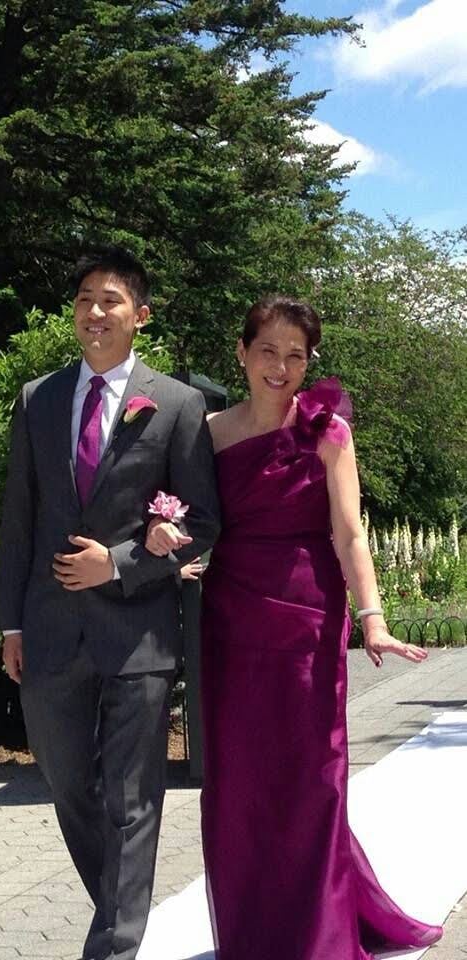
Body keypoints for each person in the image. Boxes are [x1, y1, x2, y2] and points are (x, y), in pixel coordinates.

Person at [145, 294, 443, 960]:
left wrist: (372, 617)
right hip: (230, 619)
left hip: (308, 615)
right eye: (267, 351)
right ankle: (252, 934)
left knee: (312, 777)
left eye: (295, 355)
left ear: (309, 362)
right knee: (240, 782)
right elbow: (176, 511)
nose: (280, 367)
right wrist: (163, 533)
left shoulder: (327, 432)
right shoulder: (206, 432)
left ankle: (319, 935)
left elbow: (349, 533)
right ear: (242, 353)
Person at [0, 245, 220, 960]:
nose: (95, 311)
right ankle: (121, 910)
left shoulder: (177, 405)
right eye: (85, 298)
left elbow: (201, 523)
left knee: (132, 800)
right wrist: (10, 623)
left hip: (138, 637)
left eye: (111, 300)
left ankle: (114, 947)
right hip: (50, 629)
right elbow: (19, 520)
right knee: (68, 787)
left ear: (140, 315)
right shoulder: (38, 398)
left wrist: (120, 564)